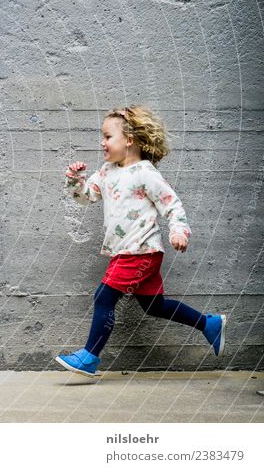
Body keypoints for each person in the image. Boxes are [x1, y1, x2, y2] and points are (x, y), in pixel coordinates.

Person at [55, 105, 225, 377]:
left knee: (104, 297)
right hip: (126, 252)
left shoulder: (145, 173)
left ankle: (89, 357)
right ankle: (209, 324)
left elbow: (172, 206)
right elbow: (86, 197)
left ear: (129, 140)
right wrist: (76, 180)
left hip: (141, 251)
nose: (102, 142)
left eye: (108, 136)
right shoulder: (107, 171)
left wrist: (178, 231)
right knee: (154, 306)